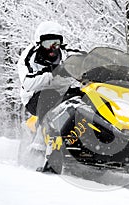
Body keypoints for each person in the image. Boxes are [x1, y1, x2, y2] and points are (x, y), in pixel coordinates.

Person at [17, 21, 82, 150]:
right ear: (39, 43)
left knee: (85, 96)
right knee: (49, 95)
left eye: (56, 43)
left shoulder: (65, 54)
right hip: (35, 97)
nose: (52, 48)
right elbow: (27, 82)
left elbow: (84, 58)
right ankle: (40, 141)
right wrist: (52, 72)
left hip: (63, 93)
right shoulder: (29, 57)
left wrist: (96, 64)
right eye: (48, 43)